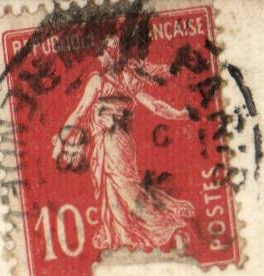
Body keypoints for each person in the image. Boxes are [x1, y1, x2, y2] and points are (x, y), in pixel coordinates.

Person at [52, 35, 196, 255]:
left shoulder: (128, 81)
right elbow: (80, 112)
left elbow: (155, 105)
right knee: (115, 188)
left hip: (123, 144)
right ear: (100, 55)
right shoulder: (97, 82)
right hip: (105, 144)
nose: (110, 55)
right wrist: (61, 140)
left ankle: (151, 224)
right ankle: (119, 235)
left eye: (114, 50)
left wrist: (180, 114)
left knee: (128, 187)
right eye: (107, 51)